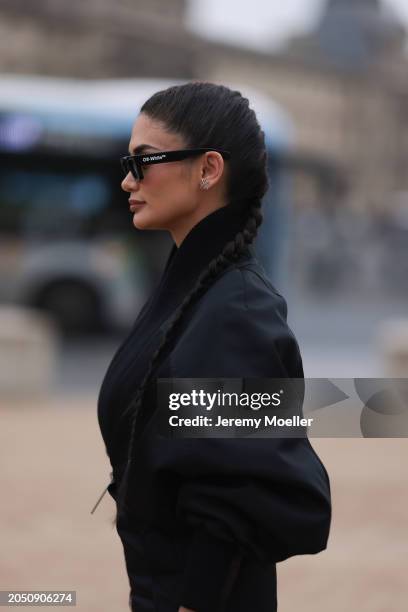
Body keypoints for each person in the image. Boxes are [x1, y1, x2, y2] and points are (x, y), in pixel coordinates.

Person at [95, 81, 332, 612]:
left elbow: (238, 494)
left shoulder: (236, 310)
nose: (127, 179)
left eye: (144, 160)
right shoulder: (196, 283)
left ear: (208, 170)